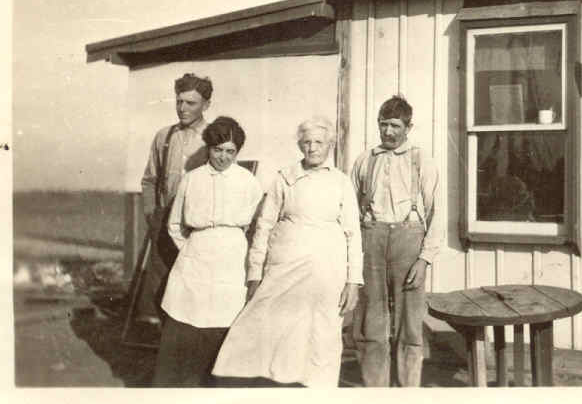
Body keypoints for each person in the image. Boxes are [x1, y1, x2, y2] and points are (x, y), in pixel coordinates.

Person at [212, 117, 363, 388]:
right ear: (299, 145)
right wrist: (255, 272)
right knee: (271, 325)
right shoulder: (285, 177)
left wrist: (353, 282)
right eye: (306, 142)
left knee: (322, 332)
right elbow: (264, 226)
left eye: (319, 142)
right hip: (286, 265)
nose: (312, 148)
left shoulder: (341, 182)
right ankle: (270, 385)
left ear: (330, 145)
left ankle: (316, 389)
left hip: (327, 270)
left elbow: (353, 233)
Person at [152, 116, 263, 387]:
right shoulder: (192, 179)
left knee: (223, 322)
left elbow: (255, 225)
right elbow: (175, 225)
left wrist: (231, 248)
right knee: (186, 322)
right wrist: (194, 250)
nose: (223, 157)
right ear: (209, 148)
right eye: (218, 150)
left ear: (237, 152)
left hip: (231, 258)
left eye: (230, 151)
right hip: (195, 257)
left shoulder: (248, 182)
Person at [351, 95, 441, 387]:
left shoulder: (421, 159)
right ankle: (375, 389)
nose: (388, 132)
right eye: (383, 124)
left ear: (408, 127)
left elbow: (437, 212)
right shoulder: (366, 160)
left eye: (395, 126)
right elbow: (350, 213)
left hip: (408, 242)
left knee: (410, 323)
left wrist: (424, 259)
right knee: (370, 322)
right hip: (371, 241)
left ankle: (407, 390)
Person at [137, 73, 213, 324]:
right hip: (164, 220)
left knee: (193, 284)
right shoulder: (164, 136)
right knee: (159, 285)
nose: (182, 108)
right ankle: (156, 336)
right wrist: (152, 215)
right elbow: (149, 180)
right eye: (179, 101)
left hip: (197, 224)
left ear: (206, 105)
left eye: (191, 103)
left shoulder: (214, 138)